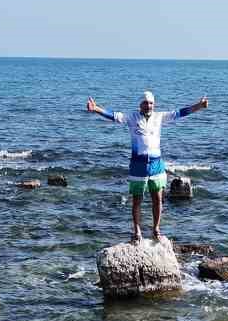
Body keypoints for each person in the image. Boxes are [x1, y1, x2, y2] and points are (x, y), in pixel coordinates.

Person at [85, 90, 209, 242]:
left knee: (157, 198)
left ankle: (156, 229)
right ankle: (137, 230)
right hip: (138, 164)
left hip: (156, 164)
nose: (148, 105)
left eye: (150, 103)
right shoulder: (132, 117)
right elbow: (113, 115)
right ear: (140, 104)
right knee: (137, 199)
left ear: (154, 104)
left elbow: (180, 113)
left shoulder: (159, 117)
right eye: (145, 103)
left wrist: (199, 106)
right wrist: (96, 109)